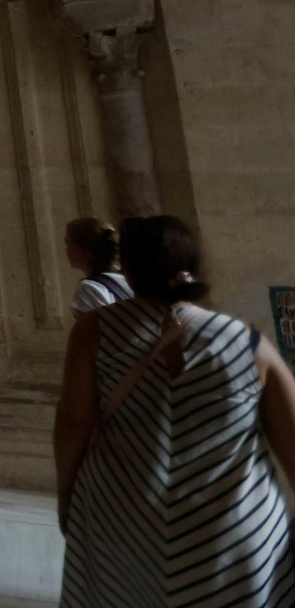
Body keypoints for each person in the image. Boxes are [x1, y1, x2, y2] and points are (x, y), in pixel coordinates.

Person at [56, 216, 295, 606]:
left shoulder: (96, 330)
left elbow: (73, 422)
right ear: (195, 266)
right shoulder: (250, 344)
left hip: (122, 521)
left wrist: (67, 493)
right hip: (231, 539)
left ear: (129, 269)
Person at [62, 217, 131, 316]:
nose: (66, 250)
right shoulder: (128, 279)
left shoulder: (88, 288)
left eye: (67, 244)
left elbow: (91, 330)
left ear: (78, 252)